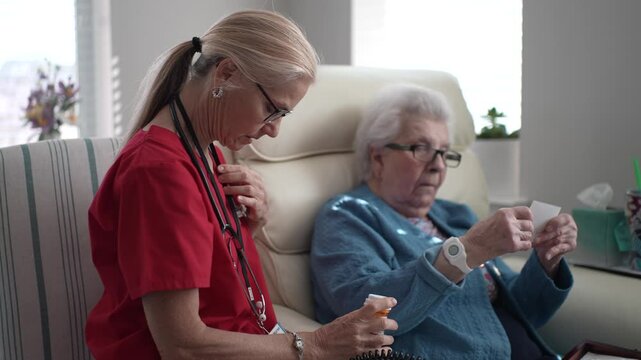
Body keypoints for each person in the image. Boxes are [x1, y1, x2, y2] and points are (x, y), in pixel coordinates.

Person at [85, 10, 397, 360]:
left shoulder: (207, 152)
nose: (274, 130)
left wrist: (252, 225)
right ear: (227, 73)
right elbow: (181, 345)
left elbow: (228, 295)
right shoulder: (159, 172)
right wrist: (316, 345)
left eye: (282, 116)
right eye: (271, 108)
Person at [310, 83, 578, 359]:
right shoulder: (347, 215)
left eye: (444, 152)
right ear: (378, 157)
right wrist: (468, 251)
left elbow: (525, 312)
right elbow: (363, 314)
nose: (438, 165)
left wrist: (546, 261)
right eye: (421, 148)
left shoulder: (455, 215)